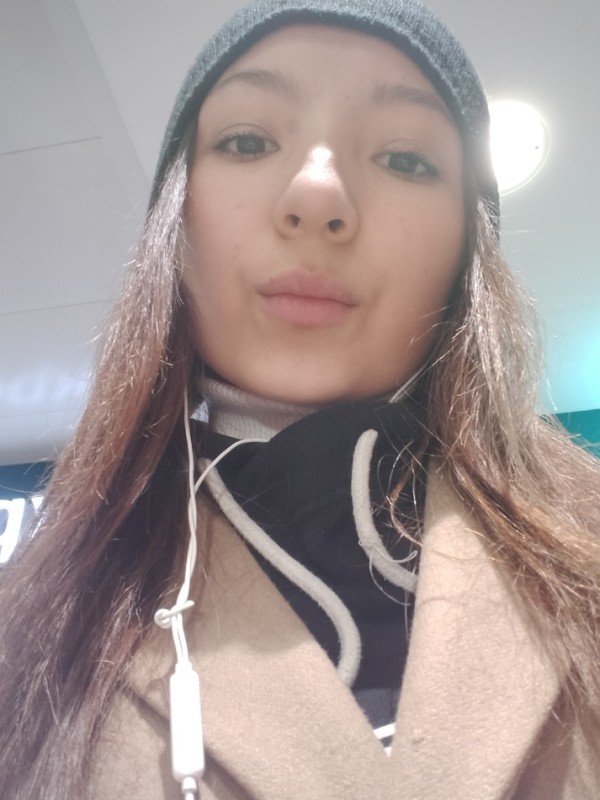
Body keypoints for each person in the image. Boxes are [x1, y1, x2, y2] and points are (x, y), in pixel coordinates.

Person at [1, 1, 600, 797]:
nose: (317, 194)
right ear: (175, 227)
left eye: (405, 157)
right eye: (248, 142)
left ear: (467, 252)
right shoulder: (27, 629)